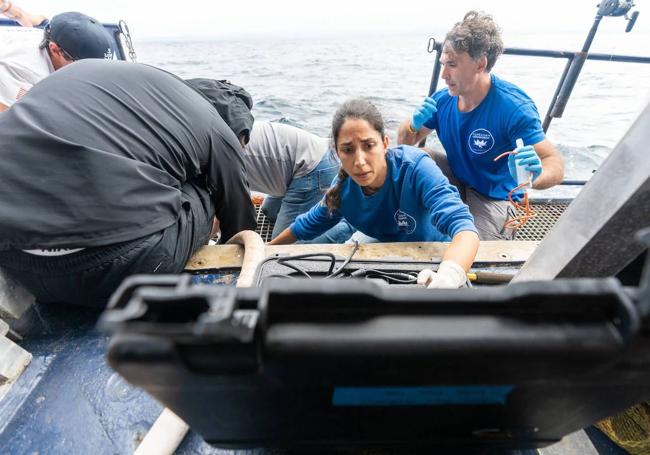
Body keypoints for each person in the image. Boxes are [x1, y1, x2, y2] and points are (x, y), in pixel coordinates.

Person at [0, 59, 256, 306]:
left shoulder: (120, 83)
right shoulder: (215, 125)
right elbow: (239, 219)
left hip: (16, 262)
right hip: (119, 272)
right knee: (212, 188)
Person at [269, 98, 480, 289]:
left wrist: (449, 276)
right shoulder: (342, 189)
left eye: (369, 146)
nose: (360, 161)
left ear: (385, 143)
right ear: (337, 152)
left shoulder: (415, 168)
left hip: (436, 253)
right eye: (348, 150)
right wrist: (266, 251)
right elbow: (307, 224)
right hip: (383, 244)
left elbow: (464, 229)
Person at [398, 10, 564, 240]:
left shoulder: (513, 107)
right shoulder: (443, 99)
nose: (444, 74)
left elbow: (554, 163)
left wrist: (536, 177)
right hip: (457, 179)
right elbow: (404, 143)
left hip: (495, 197)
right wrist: (413, 126)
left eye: (453, 64)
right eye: (443, 64)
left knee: (472, 248)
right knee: (415, 158)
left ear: (480, 64)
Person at [185, 78, 355, 243]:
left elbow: (225, 206)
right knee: (269, 211)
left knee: (285, 246)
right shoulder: (221, 134)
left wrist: (207, 242)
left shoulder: (216, 155)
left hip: (314, 168)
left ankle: (349, 225)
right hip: (304, 162)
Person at [0, 9, 116, 111]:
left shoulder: (52, 31)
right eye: (84, 65)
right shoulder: (21, 71)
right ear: (55, 50)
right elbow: (8, 122)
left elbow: (40, 19)